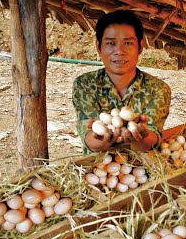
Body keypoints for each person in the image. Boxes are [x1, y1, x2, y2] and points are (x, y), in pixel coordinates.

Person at [72, 10, 171, 154]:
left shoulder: (158, 89)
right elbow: (89, 138)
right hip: (99, 167)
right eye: (111, 43)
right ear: (99, 47)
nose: (119, 51)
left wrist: (140, 138)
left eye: (128, 43)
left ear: (140, 47)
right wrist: (100, 141)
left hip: (142, 169)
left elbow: (151, 141)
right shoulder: (85, 84)